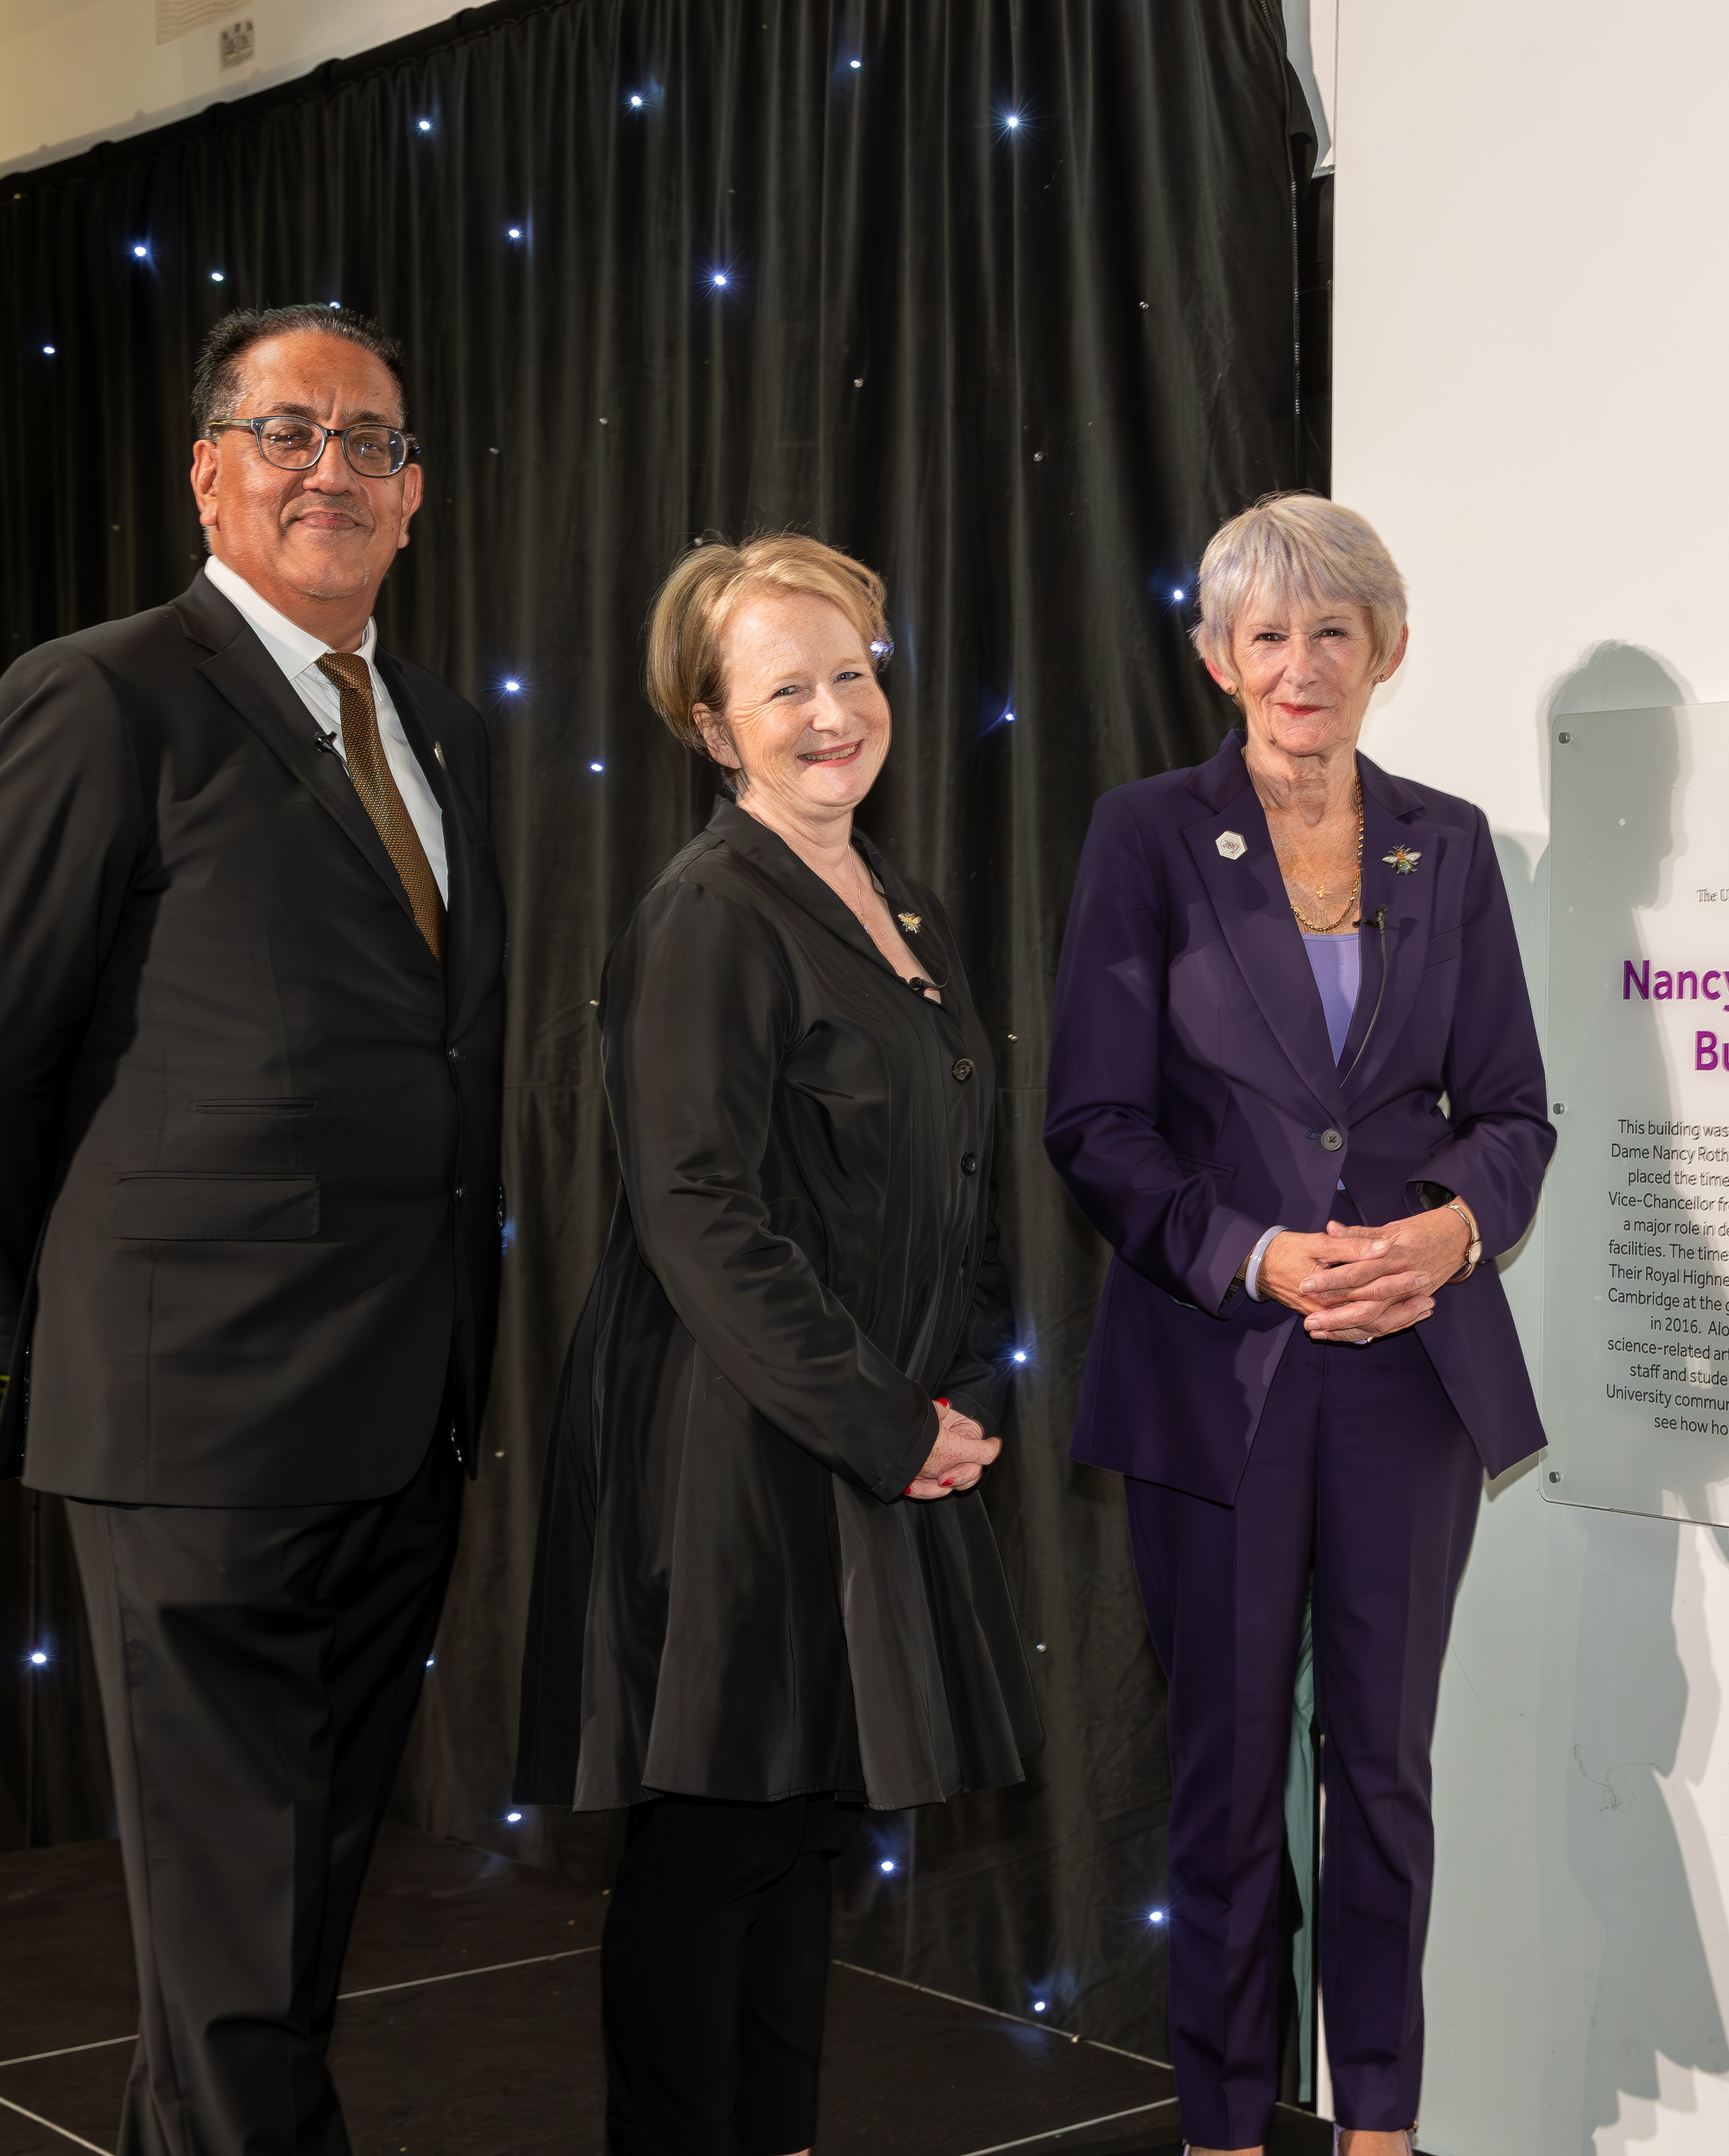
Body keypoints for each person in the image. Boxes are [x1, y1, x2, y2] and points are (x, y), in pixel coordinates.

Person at [0, 303, 505, 2154]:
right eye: (288, 432)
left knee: (297, 1894)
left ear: (415, 500)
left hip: (399, 1399)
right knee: (238, 1904)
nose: (332, 469)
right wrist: (59, 1323)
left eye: (373, 444)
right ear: (207, 471)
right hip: (196, 1412)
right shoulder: (104, 693)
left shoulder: (419, 718)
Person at [1044, 494, 1554, 2156]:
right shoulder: (1143, 836)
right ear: (1216, 658)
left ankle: (1382, 2125)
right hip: (1218, 1382)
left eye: (1334, 631)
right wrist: (1256, 1256)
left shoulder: (1451, 842)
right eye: (1267, 635)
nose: (1301, 665)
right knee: (1227, 1784)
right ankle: (1222, 2127)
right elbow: (1094, 1125)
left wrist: (1453, 1232)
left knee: (1384, 1781)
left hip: (1412, 1380)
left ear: (1387, 650)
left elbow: (1515, 1113)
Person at [516, 534, 1039, 2156]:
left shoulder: (898, 896)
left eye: (854, 673)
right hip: (730, 1447)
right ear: (710, 722)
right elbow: (700, 1217)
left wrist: (949, 1379)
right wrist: (889, 1422)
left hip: (858, 1429)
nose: (834, 712)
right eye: (787, 686)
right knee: (718, 1845)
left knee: (802, 1834)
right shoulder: (706, 914)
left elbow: (950, 1167)